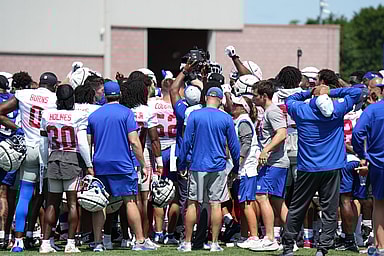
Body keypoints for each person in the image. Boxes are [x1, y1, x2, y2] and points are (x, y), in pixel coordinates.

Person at [281, 84, 363, 256]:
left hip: (307, 168)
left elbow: (289, 100)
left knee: (297, 208)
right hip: (332, 167)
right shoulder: (337, 110)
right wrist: (330, 92)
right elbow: (357, 91)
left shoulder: (302, 110)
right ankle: (323, 248)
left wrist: (311, 92)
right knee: (329, 209)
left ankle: (288, 247)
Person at [87, 81, 156, 251]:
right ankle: (140, 241)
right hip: (122, 163)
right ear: (119, 94)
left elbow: (88, 144)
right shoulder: (126, 113)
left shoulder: (94, 115)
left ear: (105, 95)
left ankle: (98, 242)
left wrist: (89, 166)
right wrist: (143, 165)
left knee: (100, 202)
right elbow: (134, 141)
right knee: (130, 201)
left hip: (100, 163)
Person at [0, 72, 58, 252]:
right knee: (50, 196)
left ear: (39, 83)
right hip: (48, 149)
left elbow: (1, 112)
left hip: (28, 146)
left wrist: (18, 129)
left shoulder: (24, 95)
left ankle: (18, 241)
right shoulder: (55, 99)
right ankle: (46, 239)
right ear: (54, 86)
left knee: (25, 193)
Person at [177, 87, 240, 252]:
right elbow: (234, 146)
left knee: (192, 203)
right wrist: (236, 168)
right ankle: (214, 243)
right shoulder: (226, 118)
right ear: (220, 100)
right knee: (216, 204)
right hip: (218, 166)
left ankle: (188, 243)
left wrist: (182, 163)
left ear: (206, 98)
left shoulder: (195, 115)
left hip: (197, 164)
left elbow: (186, 142)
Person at [39, 84, 93, 253]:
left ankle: (45, 243)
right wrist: (89, 165)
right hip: (72, 158)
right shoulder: (79, 115)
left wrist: (44, 161)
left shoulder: (47, 114)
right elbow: (83, 143)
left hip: (54, 156)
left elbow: (43, 143)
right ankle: (70, 243)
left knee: (52, 203)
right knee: (71, 204)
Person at [251, 80, 288, 251]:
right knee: (278, 201)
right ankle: (290, 239)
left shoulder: (272, 112)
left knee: (261, 196)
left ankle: (270, 237)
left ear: (264, 96)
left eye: (255, 95)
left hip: (275, 163)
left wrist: (265, 151)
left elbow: (282, 133)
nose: (253, 98)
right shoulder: (268, 111)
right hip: (276, 163)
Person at [352, 82, 384, 254]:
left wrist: (363, 155)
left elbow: (357, 133)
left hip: (378, 162)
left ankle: (381, 245)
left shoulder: (373, 110)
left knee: (379, 204)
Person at [0, 75, 19, 248]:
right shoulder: (15, 100)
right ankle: (5, 235)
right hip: (13, 151)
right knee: (8, 195)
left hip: (2, 148)